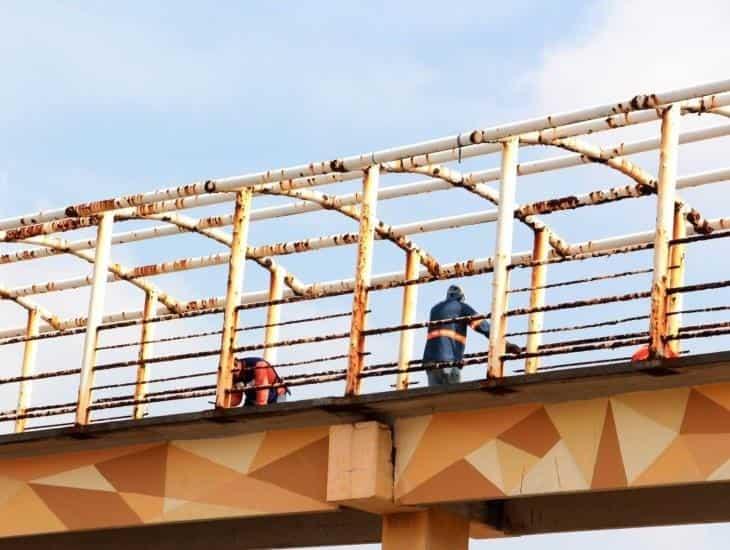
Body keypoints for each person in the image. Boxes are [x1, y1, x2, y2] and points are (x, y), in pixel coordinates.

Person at [422, 285, 521, 386]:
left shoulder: (434, 309)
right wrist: (506, 345)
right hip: (448, 362)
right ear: (461, 297)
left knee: (436, 397)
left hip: (430, 362)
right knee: (452, 397)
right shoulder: (461, 307)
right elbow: (483, 326)